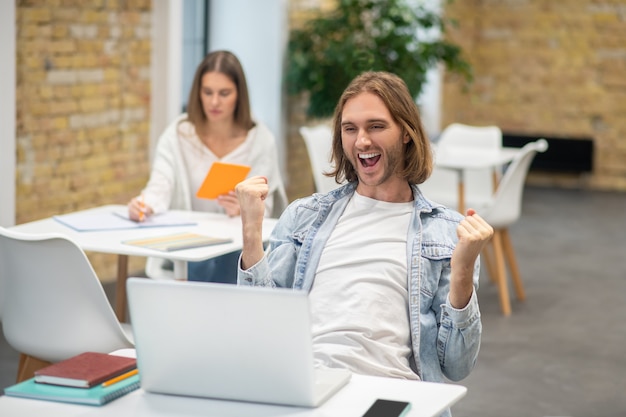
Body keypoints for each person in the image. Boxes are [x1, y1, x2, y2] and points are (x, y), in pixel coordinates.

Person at [235, 71, 493, 417]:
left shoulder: (447, 234)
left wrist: (462, 271)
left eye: (376, 126)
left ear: (406, 133)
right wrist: (251, 232)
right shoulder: (305, 217)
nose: (361, 141)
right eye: (350, 128)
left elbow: (456, 366)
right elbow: (258, 329)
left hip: (389, 392)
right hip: (307, 388)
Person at [128, 50, 287, 283]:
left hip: (238, 253)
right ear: (197, 93)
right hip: (188, 251)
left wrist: (245, 210)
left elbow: (270, 207)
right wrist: (145, 204)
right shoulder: (178, 135)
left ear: (239, 95)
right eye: (207, 92)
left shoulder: (261, 140)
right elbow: (160, 185)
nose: (214, 102)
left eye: (224, 93)